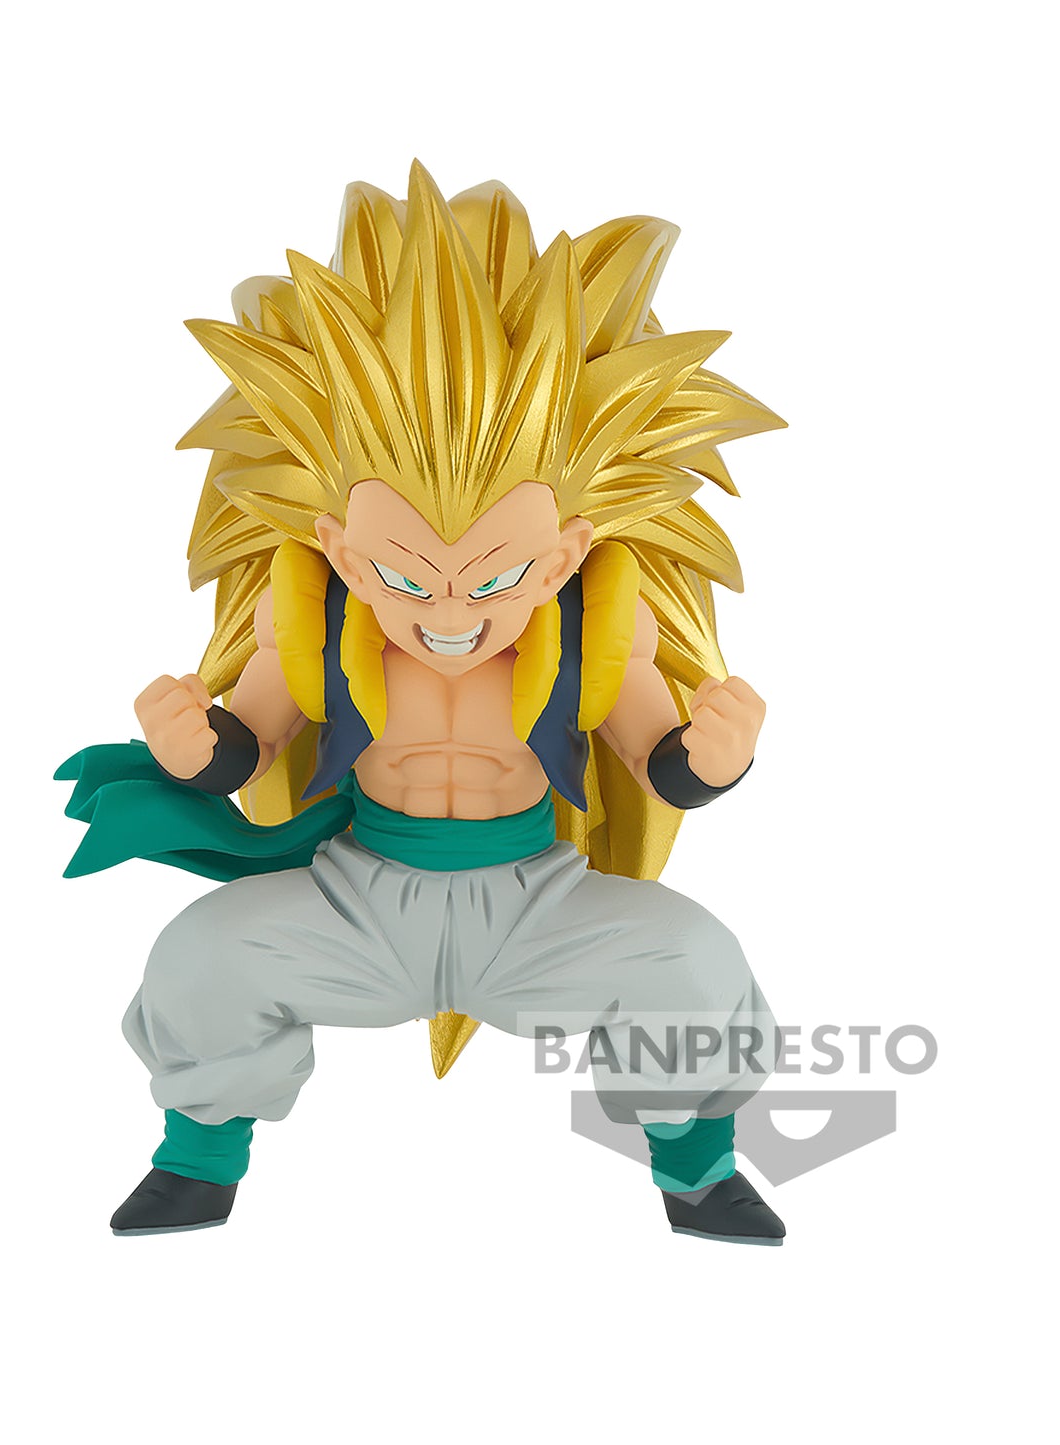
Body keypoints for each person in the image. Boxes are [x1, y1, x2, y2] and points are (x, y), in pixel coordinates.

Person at [57, 160, 788, 1243]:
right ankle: (199, 1161)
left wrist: (713, 759)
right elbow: (249, 741)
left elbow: (656, 761)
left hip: (537, 903)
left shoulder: (597, 620)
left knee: (694, 961)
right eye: (405, 576)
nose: (447, 612)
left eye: (492, 578)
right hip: (357, 897)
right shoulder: (311, 616)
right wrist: (192, 746)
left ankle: (695, 1167)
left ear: (562, 555)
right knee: (200, 955)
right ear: (341, 549)